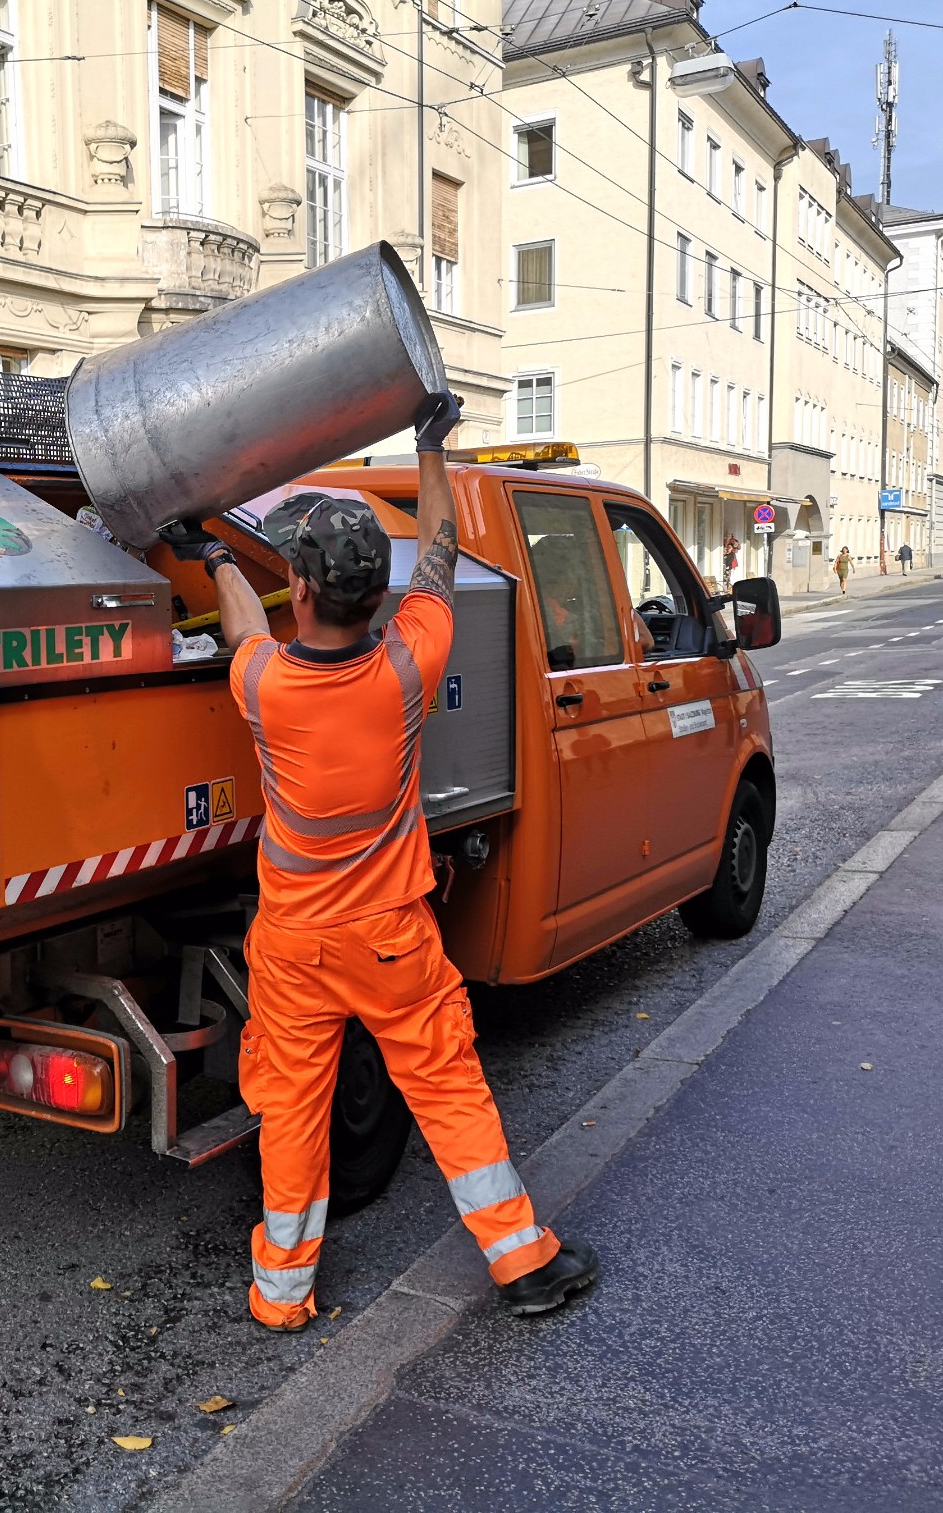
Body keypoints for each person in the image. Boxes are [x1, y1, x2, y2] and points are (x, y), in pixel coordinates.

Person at [164, 391, 598, 1331]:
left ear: (305, 595)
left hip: (293, 947)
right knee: (447, 1090)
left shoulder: (266, 687)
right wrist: (431, 448)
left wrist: (202, 551)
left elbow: (241, 625)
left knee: (291, 1109)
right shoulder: (409, 662)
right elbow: (437, 547)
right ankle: (523, 1262)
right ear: (376, 594)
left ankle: (282, 1295)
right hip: (394, 938)